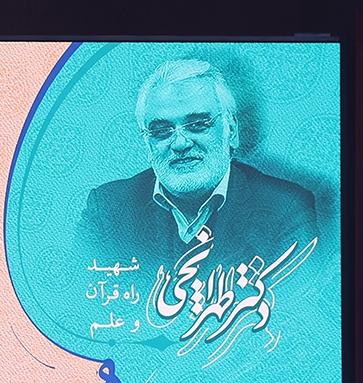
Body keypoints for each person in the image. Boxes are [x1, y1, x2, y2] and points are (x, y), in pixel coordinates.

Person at [74, 58, 318, 271]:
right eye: (161, 130)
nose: (180, 143)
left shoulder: (286, 208)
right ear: (147, 143)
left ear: (231, 131)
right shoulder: (108, 209)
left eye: (198, 124)